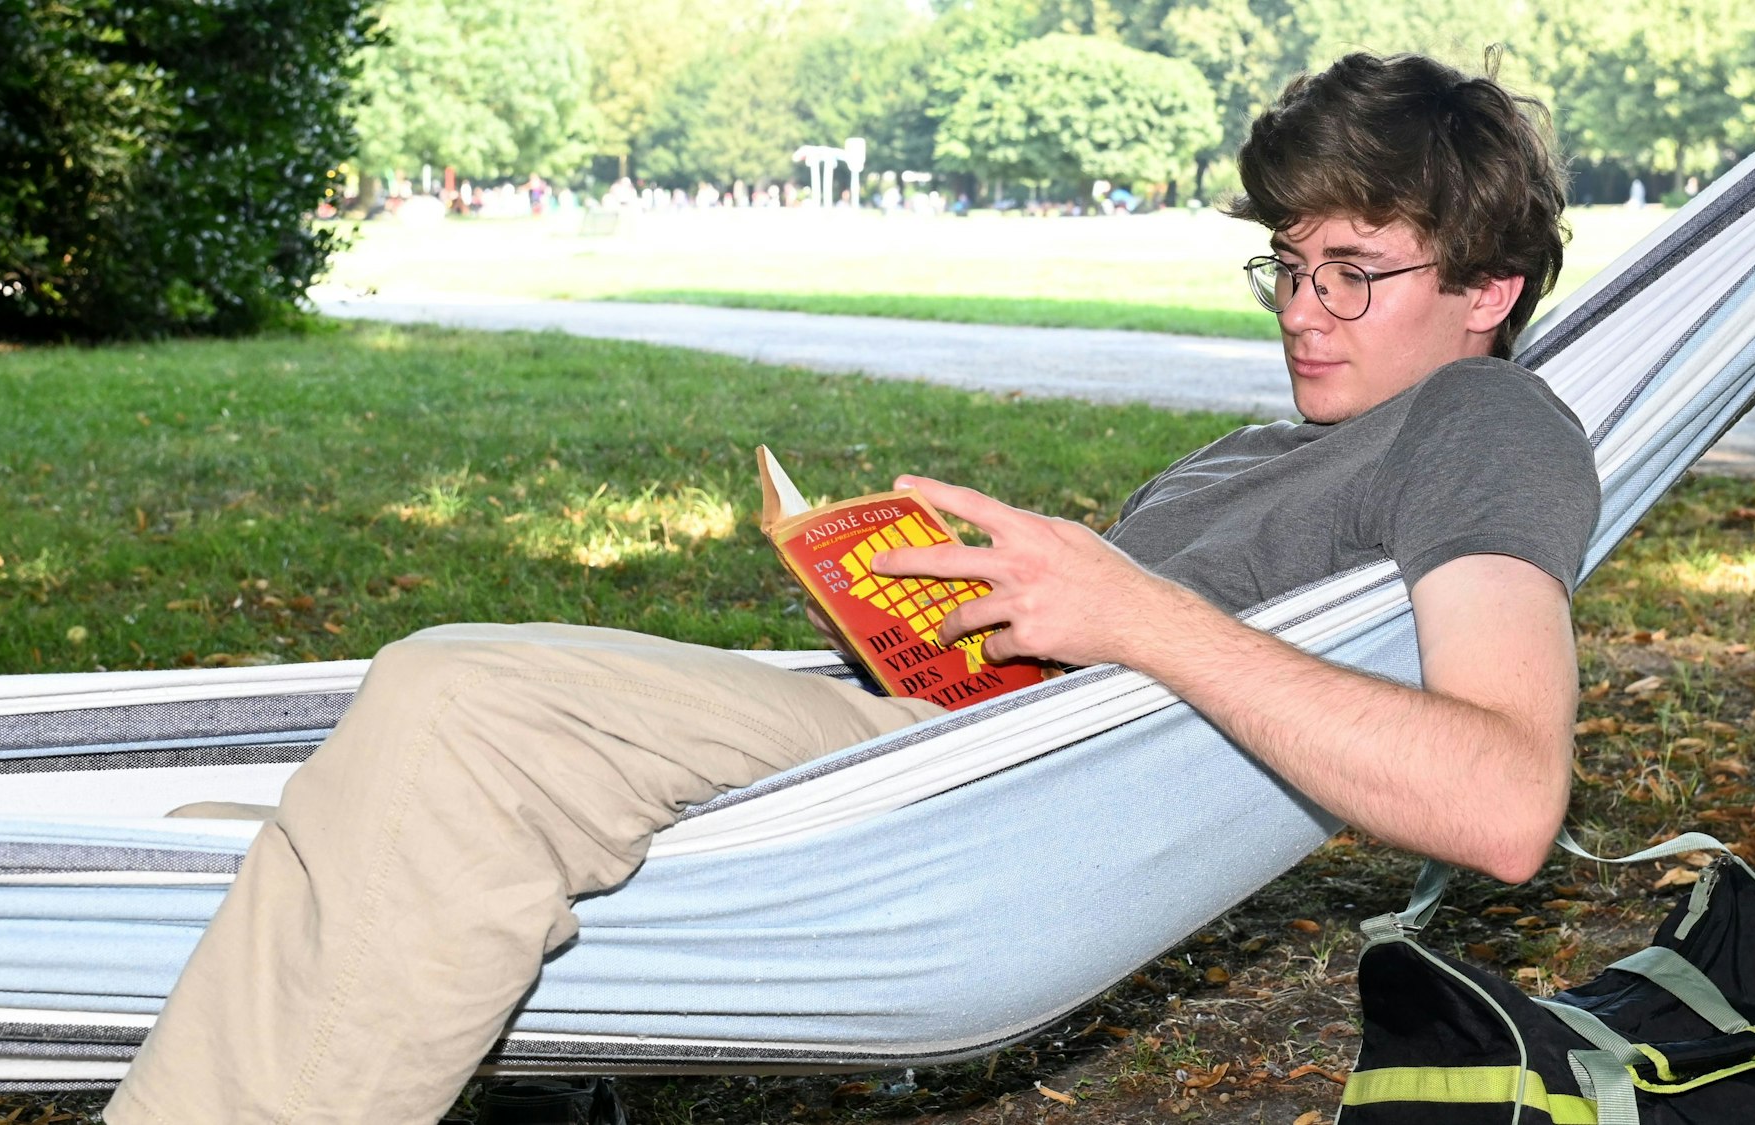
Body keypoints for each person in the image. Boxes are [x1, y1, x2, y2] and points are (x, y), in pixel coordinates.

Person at [105, 51, 1596, 1125]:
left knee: (455, 704)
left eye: (1355, 269)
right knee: (428, 743)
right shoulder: (1267, 448)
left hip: (988, 819)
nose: (1305, 311)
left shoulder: (1486, 423)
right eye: (1285, 265)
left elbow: (1506, 797)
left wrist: (1131, 611)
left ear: (1488, 290)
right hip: (957, 751)